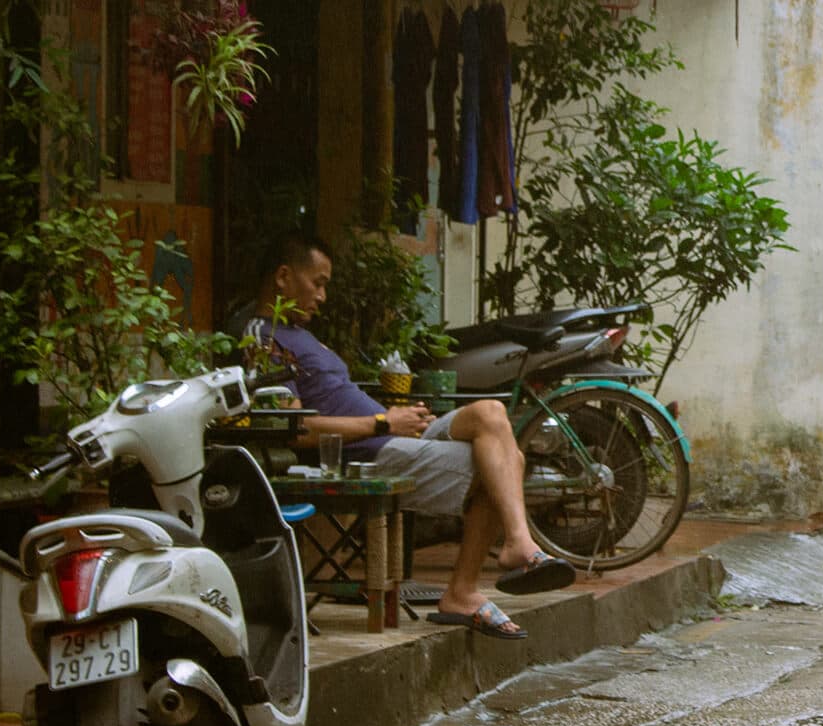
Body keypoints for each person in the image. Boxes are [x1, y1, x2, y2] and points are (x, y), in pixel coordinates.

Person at [232, 233, 573, 640]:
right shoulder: (260, 337)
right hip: (363, 451)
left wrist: (393, 416)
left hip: (388, 432)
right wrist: (383, 422)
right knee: (501, 464)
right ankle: (467, 588)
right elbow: (293, 429)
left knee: (492, 413)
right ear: (284, 278)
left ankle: (518, 543)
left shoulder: (299, 333)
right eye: (318, 282)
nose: (323, 296)